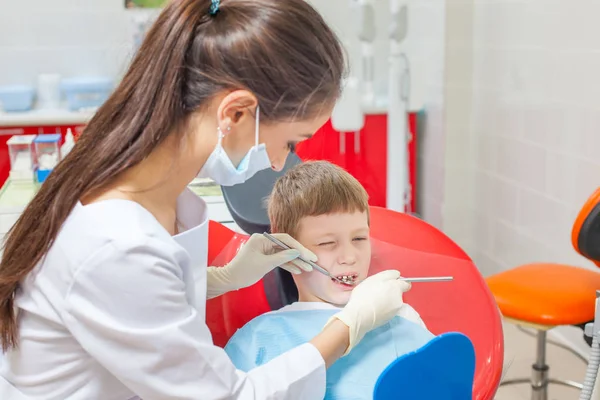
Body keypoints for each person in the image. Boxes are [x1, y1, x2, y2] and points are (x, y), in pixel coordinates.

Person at [0, 1, 412, 399]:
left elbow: (143, 301)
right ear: (234, 113)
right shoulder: (117, 243)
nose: (283, 161)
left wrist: (222, 279)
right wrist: (351, 325)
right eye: (289, 141)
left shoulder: (147, 186)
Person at [225, 161, 435, 399]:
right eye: (327, 243)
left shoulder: (400, 317)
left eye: (359, 239)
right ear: (287, 252)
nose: (349, 257)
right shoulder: (256, 338)